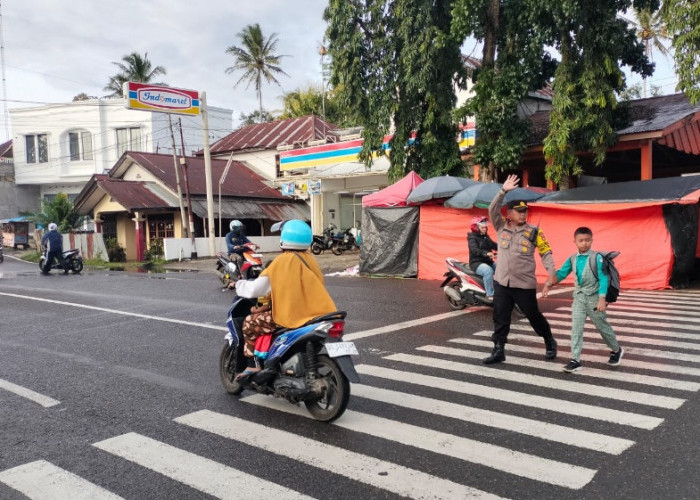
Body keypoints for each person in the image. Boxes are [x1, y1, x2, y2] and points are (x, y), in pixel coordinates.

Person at [233, 220, 337, 379]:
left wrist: (239, 285)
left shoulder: (281, 261)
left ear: (284, 239)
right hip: (318, 314)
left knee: (249, 322)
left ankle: (253, 365)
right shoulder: (310, 259)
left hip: (291, 316)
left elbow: (256, 289)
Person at [483, 174, 558, 365]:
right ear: (509, 213)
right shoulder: (501, 227)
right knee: (500, 317)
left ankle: (549, 340)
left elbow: (545, 252)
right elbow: (492, 209)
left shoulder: (534, 231)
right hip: (502, 282)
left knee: (533, 316)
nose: (523, 214)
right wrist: (502, 191)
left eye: (525, 211)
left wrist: (551, 273)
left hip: (523, 284)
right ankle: (498, 349)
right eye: (519, 211)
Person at [542, 227, 623, 373]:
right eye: (581, 241)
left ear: (592, 240)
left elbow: (603, 278)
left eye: (587, 240)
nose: (584, 243)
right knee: (576, 329)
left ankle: (616, 349)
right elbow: (561, 274)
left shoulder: (596, 257)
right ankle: (575, 360)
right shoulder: (573, 258)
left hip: (594, 298)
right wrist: (548, 283)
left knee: (602, 327)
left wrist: (602, 299)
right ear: (575, 242)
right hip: (579, 298)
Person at [468, 216, 498, 300]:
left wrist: (504, 247)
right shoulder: (472, 238)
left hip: (488, 261)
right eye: (482, 227)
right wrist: (486, 253)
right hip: (476, 263)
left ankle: (501, 289)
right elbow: (474, 250)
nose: (485, 229)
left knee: (501, 268)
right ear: (476, 227)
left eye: (485, 227)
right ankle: (490, 294)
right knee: (488, 271)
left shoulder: (485, 237)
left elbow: (494, 245)